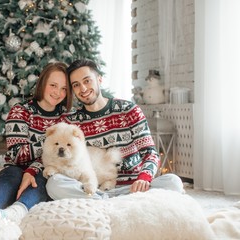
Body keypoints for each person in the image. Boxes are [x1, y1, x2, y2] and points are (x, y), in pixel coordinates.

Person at [46, 59, 184, 200]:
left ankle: (110, 203)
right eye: (76, 85)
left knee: (173, 182)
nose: (83, 89)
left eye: (87, 81)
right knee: (54, 184)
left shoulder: (128, 110)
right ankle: (106, 201)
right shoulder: (72, 122)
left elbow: (150, 153)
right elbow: (53, 153)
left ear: (99, 79)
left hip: (134, 188)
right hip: (95, 189)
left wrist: (144, 178)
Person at [0, 62, 73, 224]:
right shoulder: (21, 110)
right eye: (53, 85)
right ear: (43, 83)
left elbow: (61, 156)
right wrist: (50, 145)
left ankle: (15, 212)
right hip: (16, 168)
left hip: (46, 170)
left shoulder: (65, 117)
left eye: (64, 89)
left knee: (44, 179)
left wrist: (33, 169)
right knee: (13, 175)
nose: (58, 92)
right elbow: (18, 155)